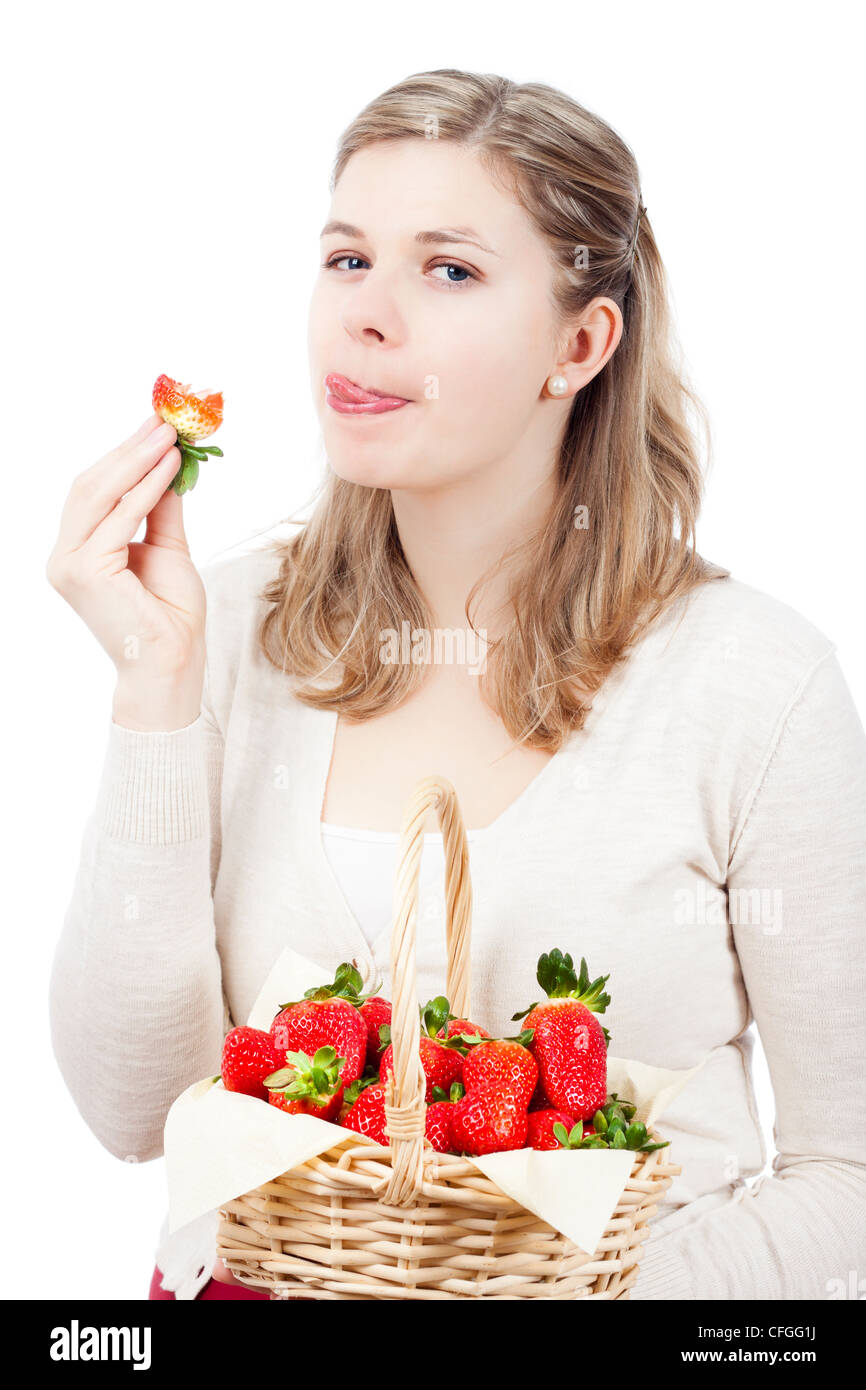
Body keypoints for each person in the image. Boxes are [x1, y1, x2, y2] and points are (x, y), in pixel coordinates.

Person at [46, 68, 866, 1301]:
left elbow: (845, 1171)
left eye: (449, 270)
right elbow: (135, 1113)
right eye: (344, 258)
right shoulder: (221, 629)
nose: (364, 317)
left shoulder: (753, 686)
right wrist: (154, 690)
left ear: (580, 343)